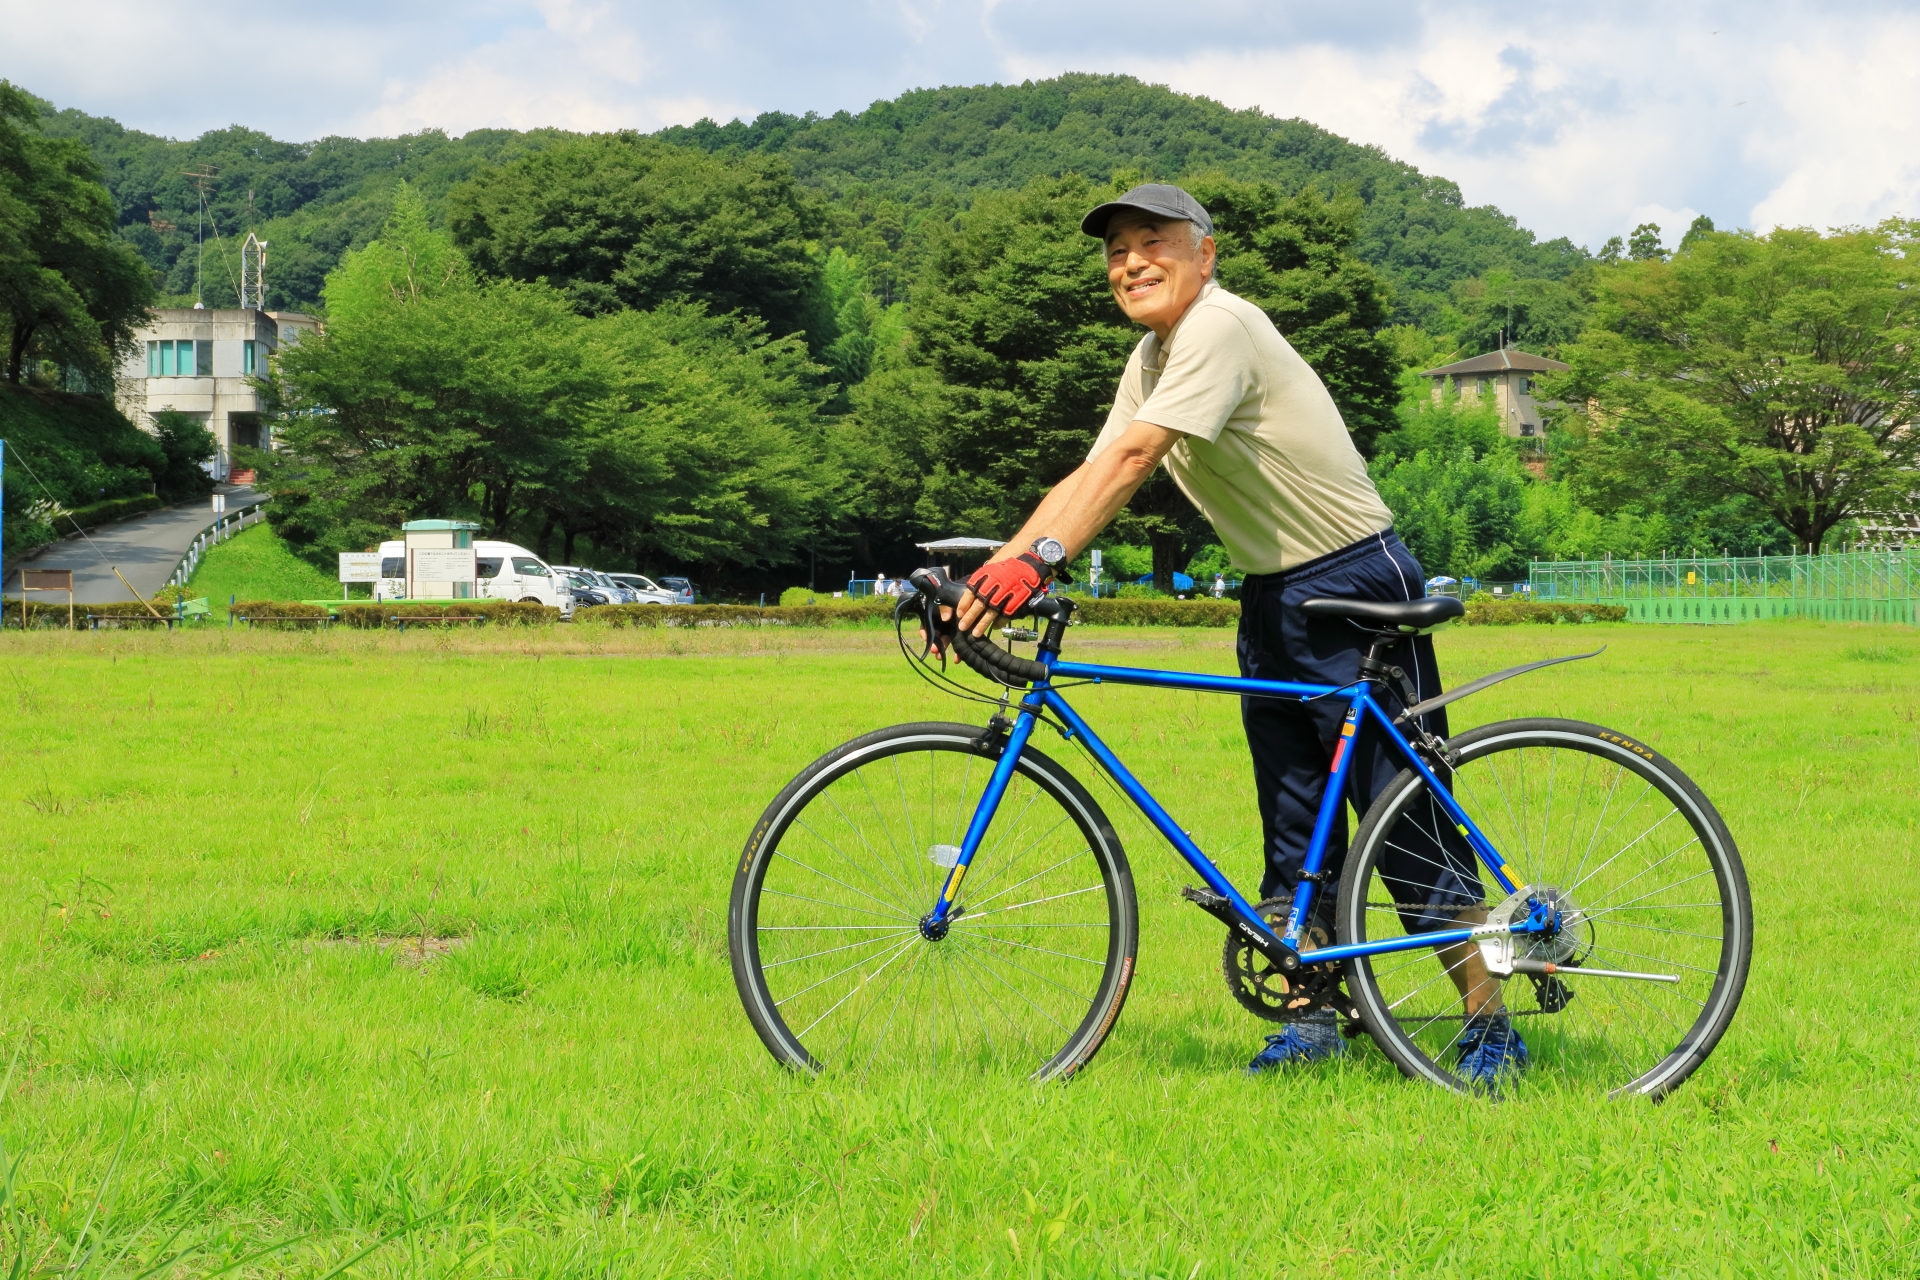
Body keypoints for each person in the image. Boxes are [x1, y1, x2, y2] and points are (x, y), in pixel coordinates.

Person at [944, 184, 1526, 1083]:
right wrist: (998, 571)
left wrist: (1044, 559)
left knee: (1403, 821)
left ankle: (1490, 1024)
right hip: (1275, 595)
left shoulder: (1219, 326)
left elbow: (1135, 463)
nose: (1129, 262)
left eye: (1151, 243)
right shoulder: (1152, 356)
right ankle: (1311, 1019)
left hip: (1353, 576)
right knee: (1296, 819)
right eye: (1114, 253)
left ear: (1204, 255)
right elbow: (1096, 466)